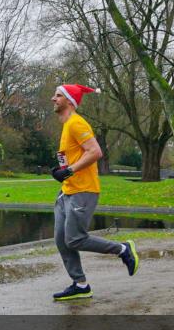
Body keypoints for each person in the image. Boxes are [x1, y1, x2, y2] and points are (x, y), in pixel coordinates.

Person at [49, 84, 139, 301]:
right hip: (67, 192)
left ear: (70, 101)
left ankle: (122, 249)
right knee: (61, 240)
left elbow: (95, 151)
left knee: (75, 239)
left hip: (84, 191)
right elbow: (75, 156)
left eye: (58, 95)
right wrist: (63, 171)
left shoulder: (77, 123)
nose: (53, 99)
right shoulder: (67, 125)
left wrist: (69, 170)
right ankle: (80, 285)